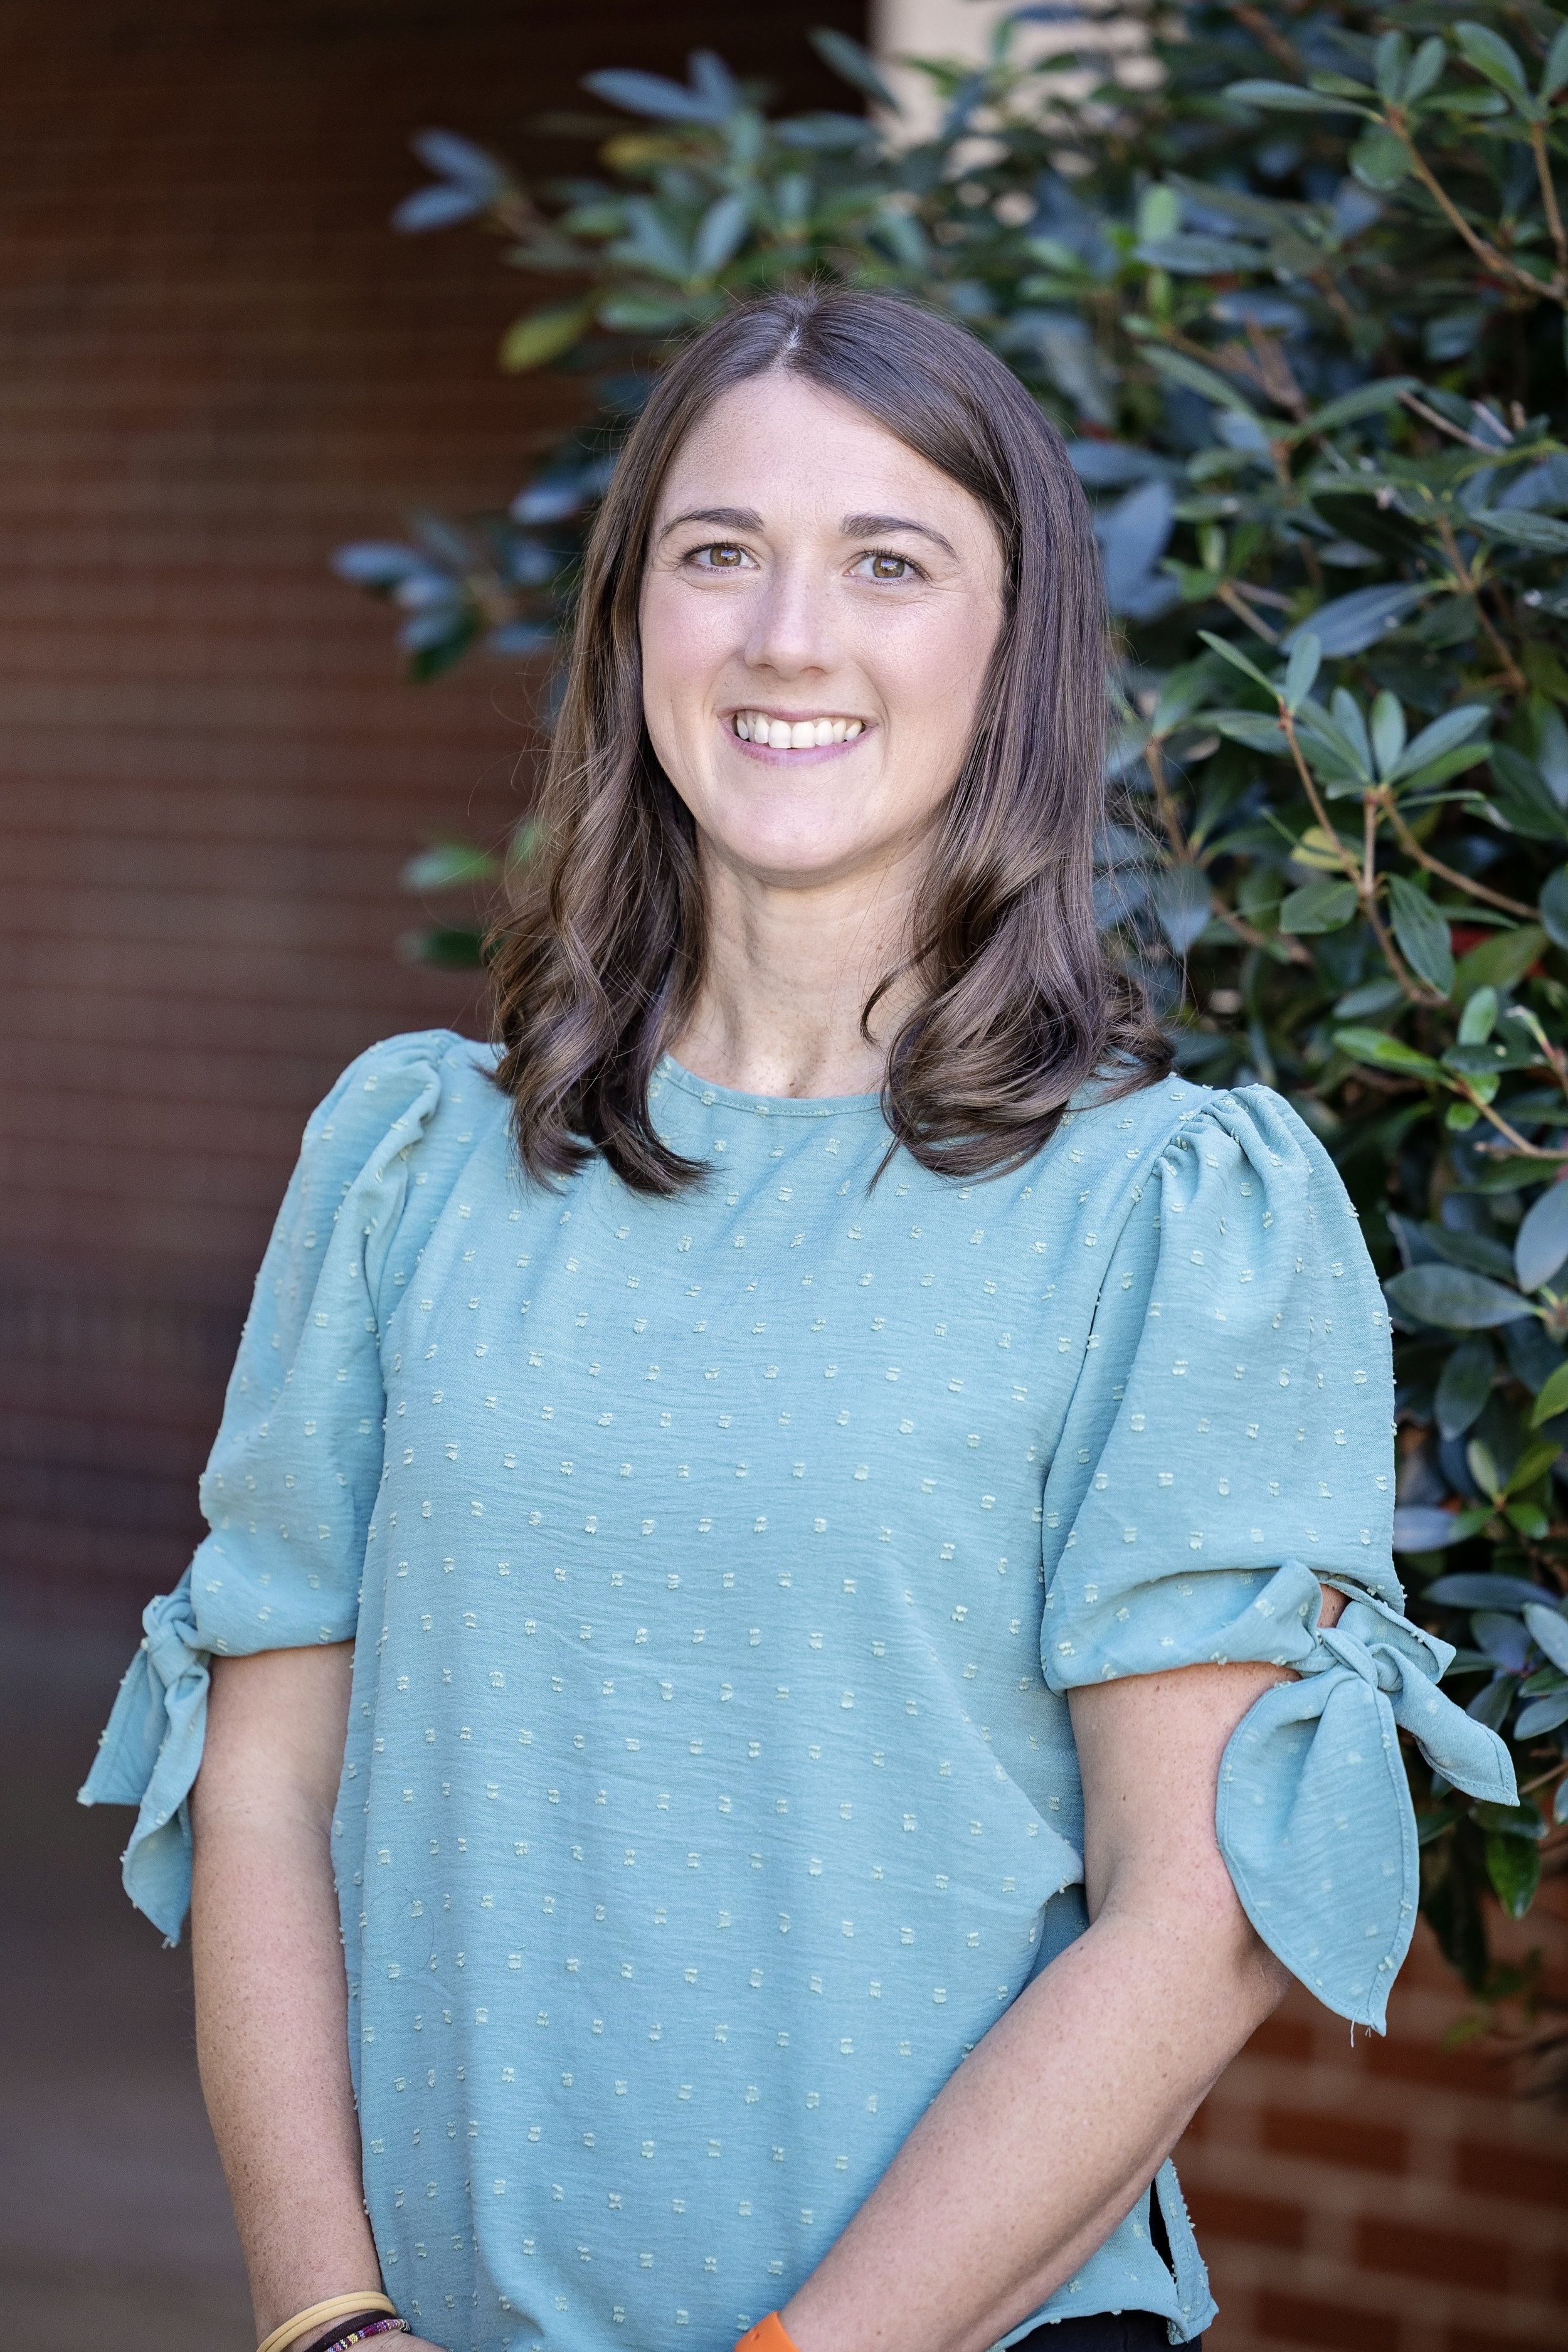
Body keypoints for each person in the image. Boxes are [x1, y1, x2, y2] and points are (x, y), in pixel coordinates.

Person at [83, 289, 1513, 2352]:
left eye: (890, 562)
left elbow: (1193, 1922)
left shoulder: (1167, 1212)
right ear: (632, 617)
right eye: (718, 551)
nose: (785, 636)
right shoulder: (412, 1161)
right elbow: (264, 1783)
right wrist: (328, 2317)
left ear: (1010, 652)